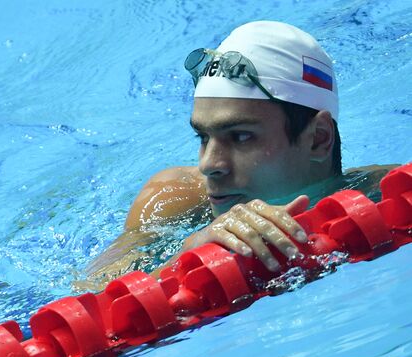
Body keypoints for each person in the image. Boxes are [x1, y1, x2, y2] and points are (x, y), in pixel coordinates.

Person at [83, 21, 395, 288]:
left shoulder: (385, 192)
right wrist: (187, 252)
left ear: (318, 139)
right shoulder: (174, 197)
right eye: (203, 137)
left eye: (241, 136)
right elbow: (91, 293)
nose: (208, 165)